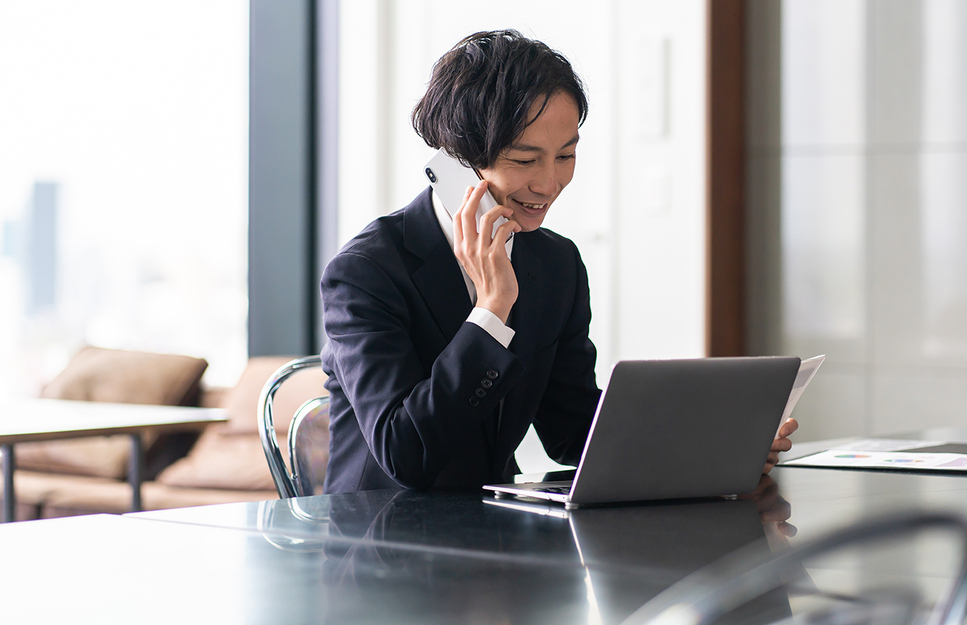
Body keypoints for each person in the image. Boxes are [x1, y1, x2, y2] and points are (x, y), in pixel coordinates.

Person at [320, 30, 797, 494]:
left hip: (489, 539)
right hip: (378, 541)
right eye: (526, 160)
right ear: (458, 161)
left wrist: (716, 448)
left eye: (566, 155)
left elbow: (571, 430)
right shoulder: (367, 272)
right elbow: (407, 455)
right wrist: (491, 311)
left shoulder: (555, 263)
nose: (550, 184)